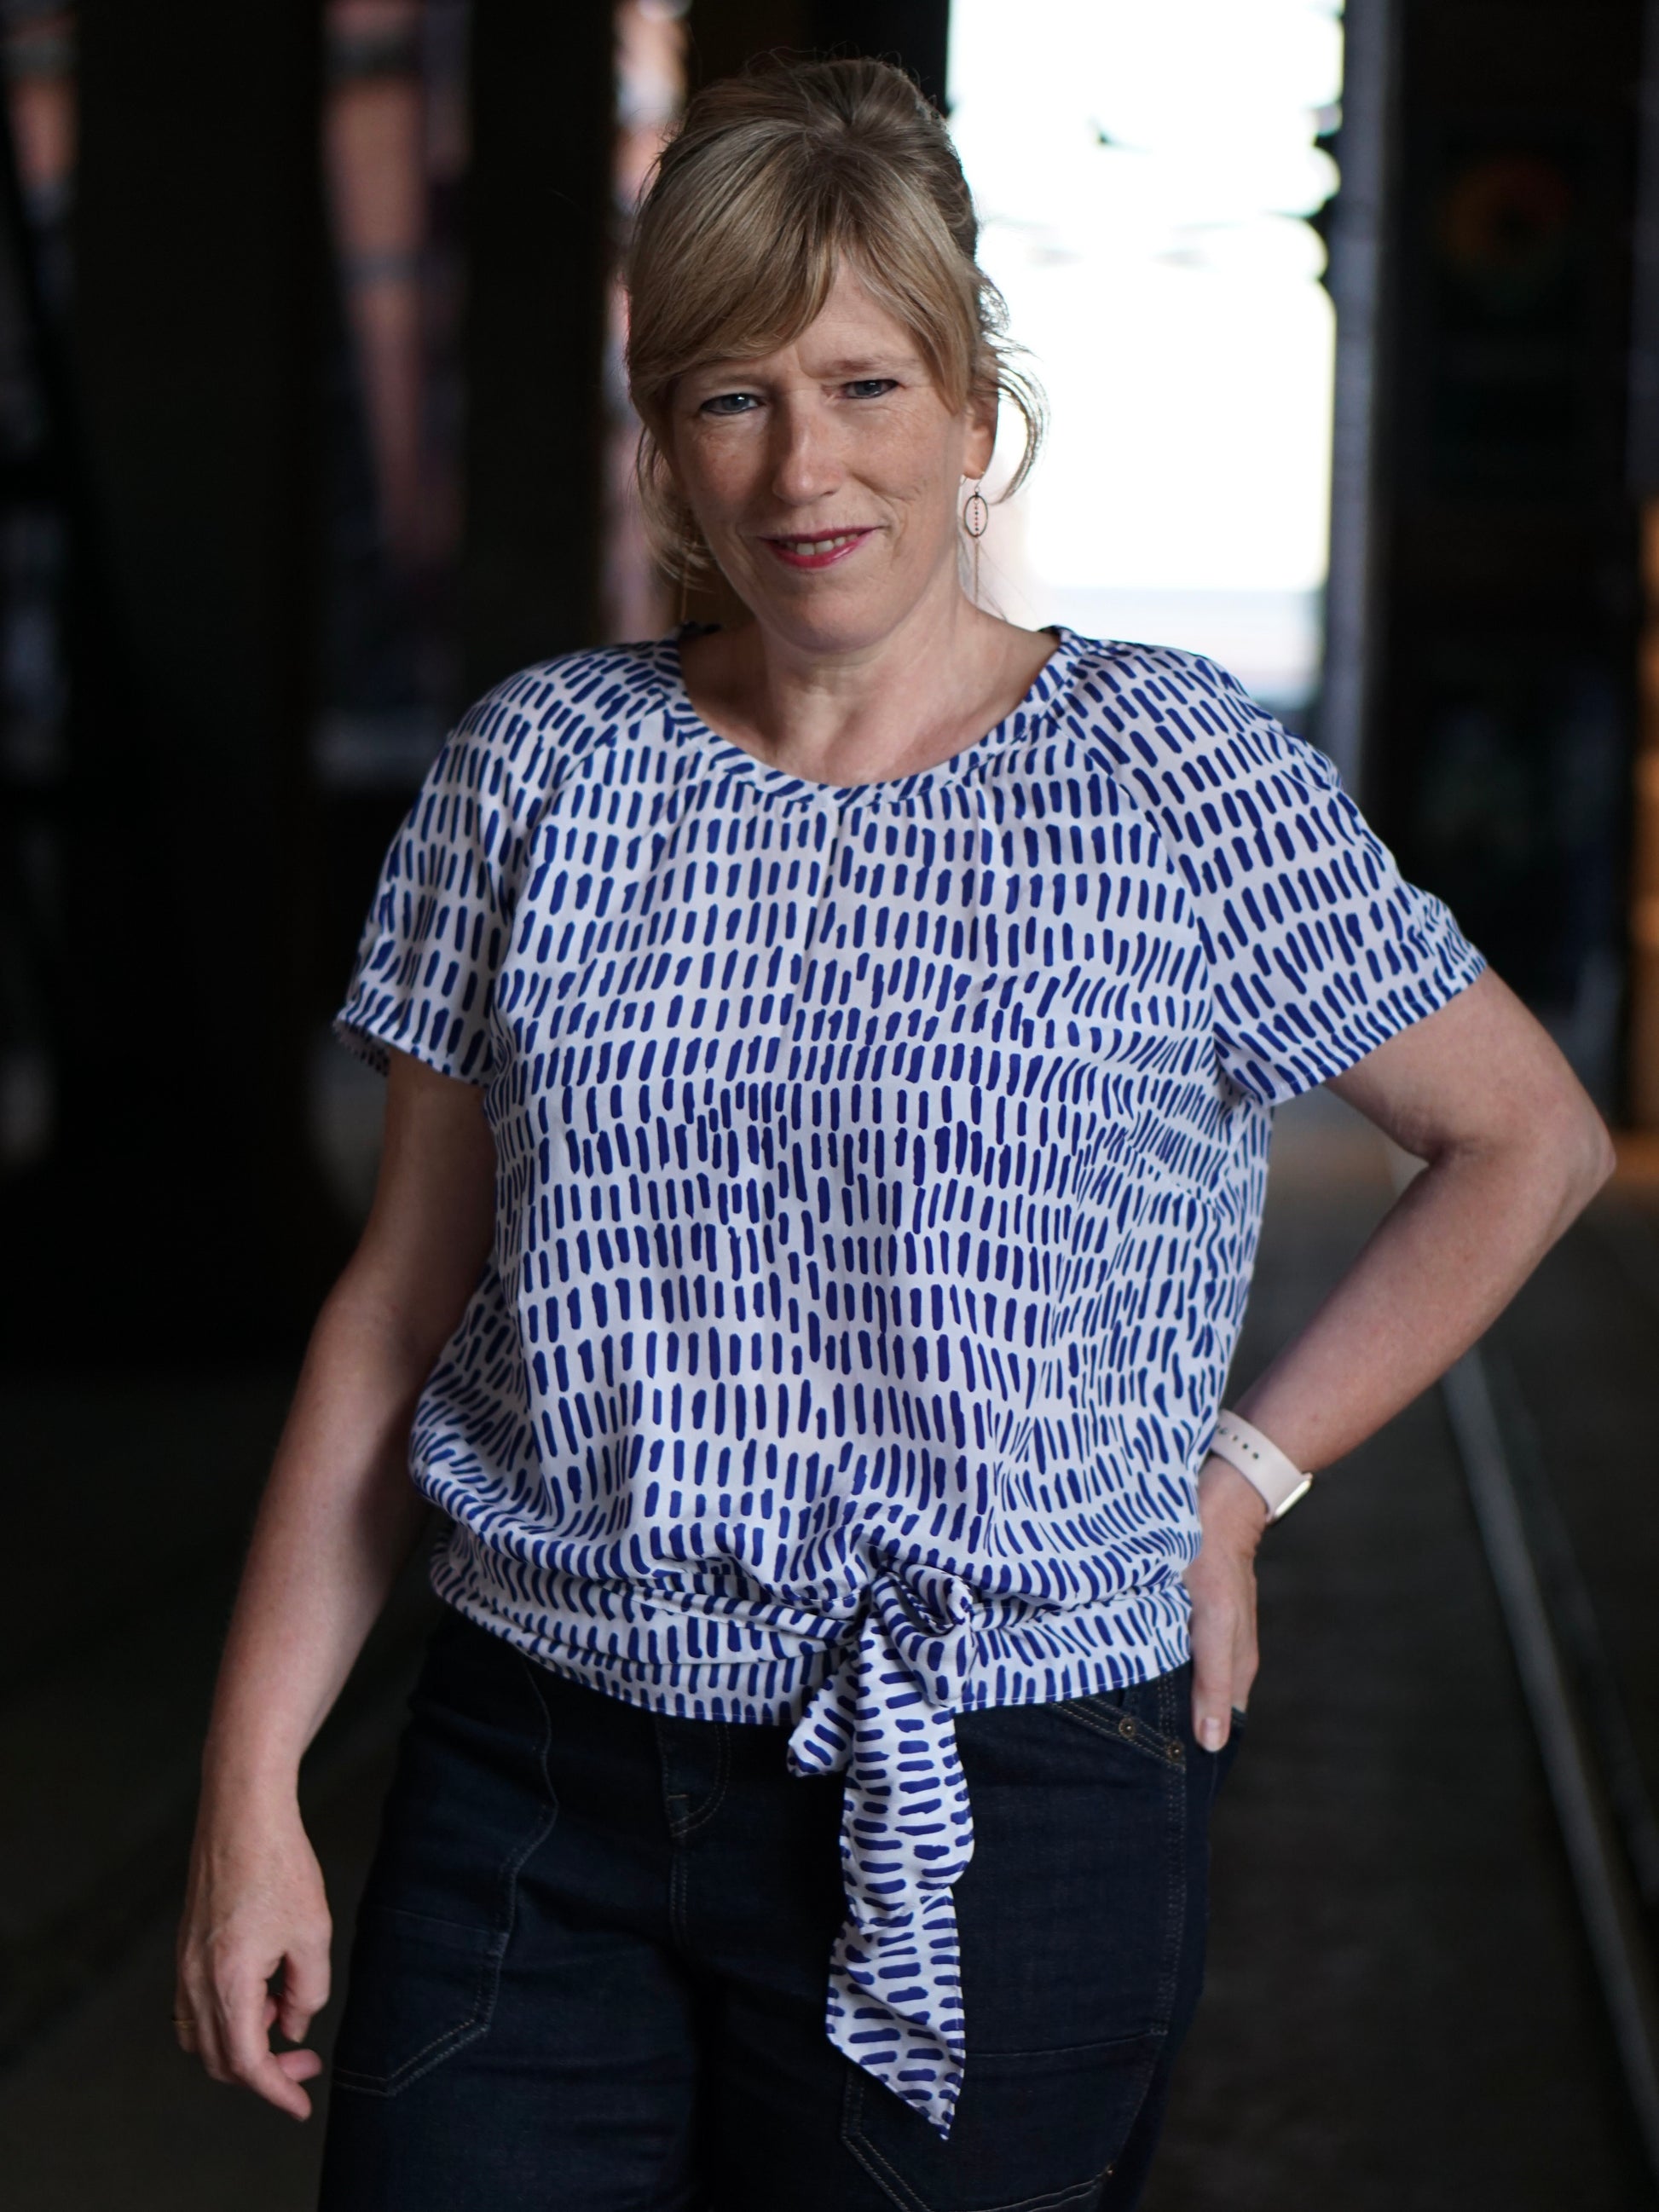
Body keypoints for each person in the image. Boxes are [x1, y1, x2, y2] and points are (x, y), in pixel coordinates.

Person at [173, 55, 1613, 2212]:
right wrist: (247, 1788)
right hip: (538, 1771)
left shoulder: (1172, 774)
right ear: (664, 436)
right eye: (731, 397)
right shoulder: (538, 769)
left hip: (1008, 1786)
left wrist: (1237, 1482)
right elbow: (394, 1313)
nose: (803, 465)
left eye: (862, 385)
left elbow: (1525, 1138)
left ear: (968, 405)